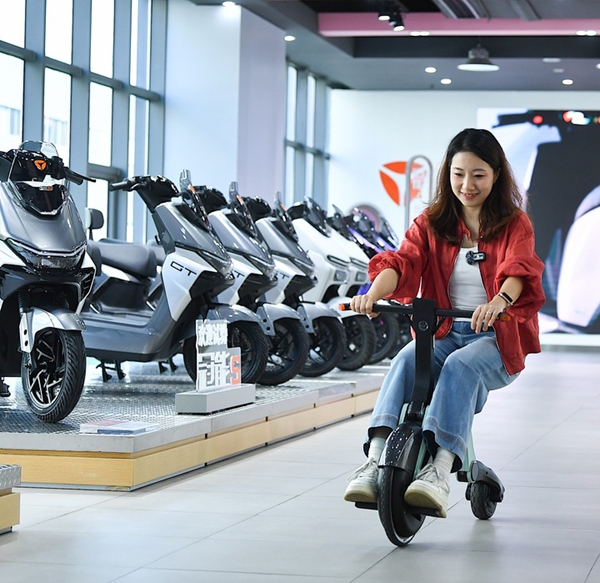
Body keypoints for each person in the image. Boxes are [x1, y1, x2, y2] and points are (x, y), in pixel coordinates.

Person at [343, 128, 545, 518]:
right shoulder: (431, 222)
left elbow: (518, 271)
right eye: (459, 174)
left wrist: (499, 301)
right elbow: (402, 262)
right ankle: (374, 459)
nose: (467, 185)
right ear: (447, 173)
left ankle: (439, 469)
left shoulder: (514, 224)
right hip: (445, 331)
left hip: (497, 338)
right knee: (405, 360)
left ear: (496, 175)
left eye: (479, 175)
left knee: (459, 367)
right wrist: (373, 294)